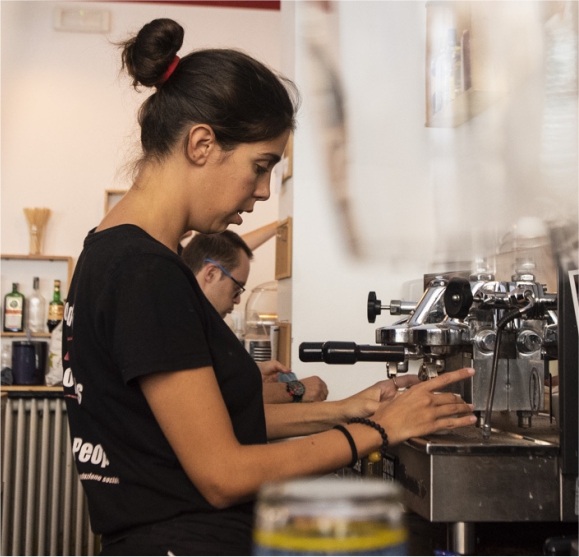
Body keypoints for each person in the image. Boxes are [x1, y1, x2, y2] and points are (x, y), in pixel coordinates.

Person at [62, 18, 476, 556]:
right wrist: (378, 433)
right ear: (202, 144)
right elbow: (223, 473)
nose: (262, 191)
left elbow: (185, 431)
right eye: (260, 166)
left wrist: (349, 409)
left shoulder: (107, 250)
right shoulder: (145, 271)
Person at [181, 229, 328, 404]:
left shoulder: (200, 323)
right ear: (211, 274)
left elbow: (217, 382)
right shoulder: (180, 326)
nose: (237, 300)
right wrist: (296, 389)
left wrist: (252, 373)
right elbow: (212, 399)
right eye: (236, 289)